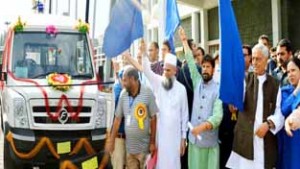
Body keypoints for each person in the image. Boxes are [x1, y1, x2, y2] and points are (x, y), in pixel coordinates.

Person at [226, 43, 284, 169]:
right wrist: (233, 104)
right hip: (245, 142)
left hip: (265, 142)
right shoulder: (245, 80)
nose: (255, 62)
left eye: (258, 59)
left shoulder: (275, 84)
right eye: (253, 59)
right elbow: (237, 99)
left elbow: (279, 113)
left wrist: (268, 124)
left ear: (266, 61)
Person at [178, 27, 223, 169]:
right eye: (203, 66)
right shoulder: (197, 81)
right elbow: (190, 62)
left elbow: (217, 116)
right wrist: (184, 41)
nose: (205, 69)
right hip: (194, 144)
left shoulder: (218, 89)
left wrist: (201, 127)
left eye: (208, 67)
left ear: (213, 69)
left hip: (209, 144)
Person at [106, 67, 158, 169]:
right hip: (130, 148)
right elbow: (117, 119)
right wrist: (111, 141)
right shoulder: (123, 94)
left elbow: (153, 118)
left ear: (133, 79)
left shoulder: (147, 93)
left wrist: (152, 142)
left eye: (125, 80)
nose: (123, 83)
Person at [277, 57, 300, 169]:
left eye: (294, 70)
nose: (290, 74)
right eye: (288, 71)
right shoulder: (284, 91)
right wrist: (297, 91)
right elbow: (283, 109)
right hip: (289, 142)